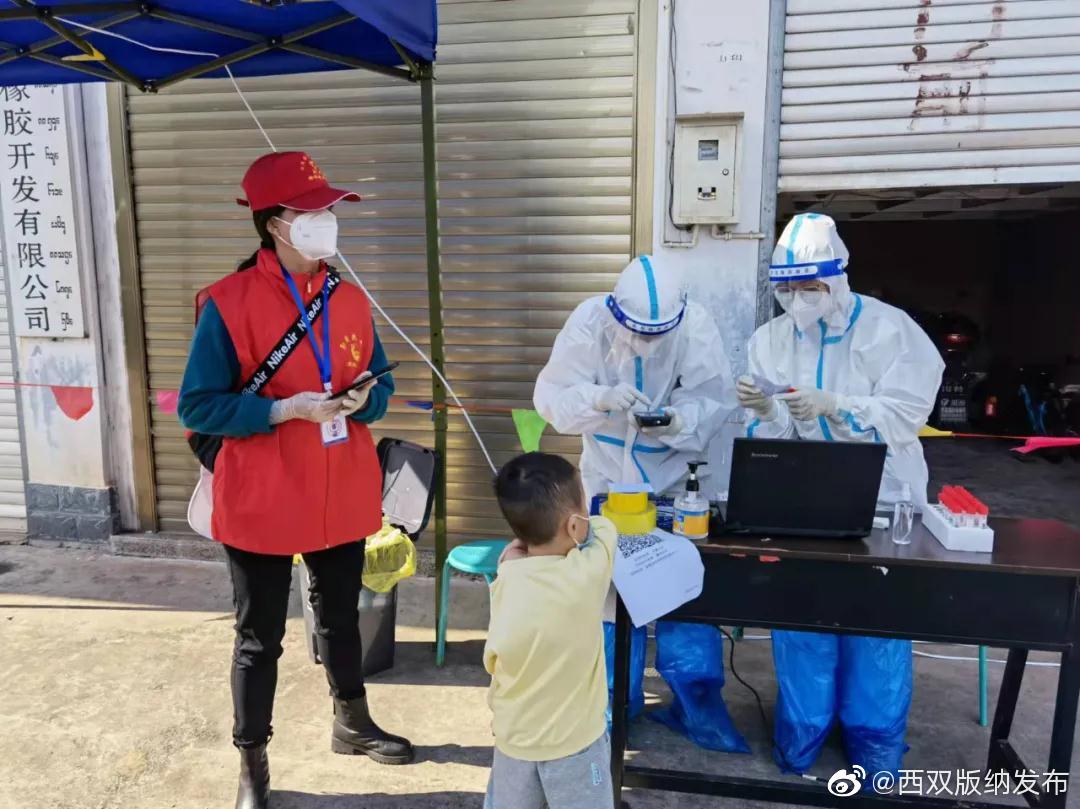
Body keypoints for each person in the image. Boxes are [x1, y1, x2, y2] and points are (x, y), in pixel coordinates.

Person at [177, 151, 413, 809]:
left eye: (330, 208)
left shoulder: (350, 298)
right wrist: (284, 410)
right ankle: (252, 763)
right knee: (260, 638)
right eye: (311, 211)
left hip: (340, 487)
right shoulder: (227, 304)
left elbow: (382, 387)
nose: (326, 220)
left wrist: (361, 401)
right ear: (274, 224)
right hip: (263, 494)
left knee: (341, 616)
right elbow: (198, 406)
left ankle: (352, 721)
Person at [738, 212, 944, 776]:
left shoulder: (890, 330)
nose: (797, 300)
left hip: (885, 494)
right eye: (787, 289)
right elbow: (773, 434)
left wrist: (838, 406)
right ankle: (801, 733)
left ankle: (875, 744)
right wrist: (767, 411)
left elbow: (905, 414)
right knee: (805, 613)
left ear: (837, 278)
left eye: (810, 287)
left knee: (877, 623)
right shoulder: (769, 340)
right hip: (806, 495)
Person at [533, 256, 747, 754]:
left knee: (681, 592)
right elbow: (552, 399)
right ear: (615, 312)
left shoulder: (694, 325)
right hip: (607, 478)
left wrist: (678, 421)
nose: (647, 343)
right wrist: (599, 398)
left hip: (674, 479)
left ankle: (696, 706)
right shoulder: (589, 322)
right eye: (638, 333)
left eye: (658, 335)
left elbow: (713, 398)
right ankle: (611, 702)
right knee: (606, 594)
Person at [484, 452, 617, 809]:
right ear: (574, 526)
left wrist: (516, 549)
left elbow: (494, 659)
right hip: (576, 744)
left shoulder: (507, 575)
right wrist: (589, 522)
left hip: (514, 737)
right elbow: (607, 530)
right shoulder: (585, 574)